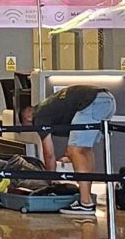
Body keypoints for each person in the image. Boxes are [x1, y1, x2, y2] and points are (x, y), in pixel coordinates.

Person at [27, 85, 115, 216]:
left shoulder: (39, 116)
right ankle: (87, 197)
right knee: (85, 150)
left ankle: (85, 202)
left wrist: (51, 180)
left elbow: (48, 154)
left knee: (77, 151)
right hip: (107, 101)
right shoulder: (50, 106)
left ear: (28, 118)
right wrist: (68, 154)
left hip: (92, 102)